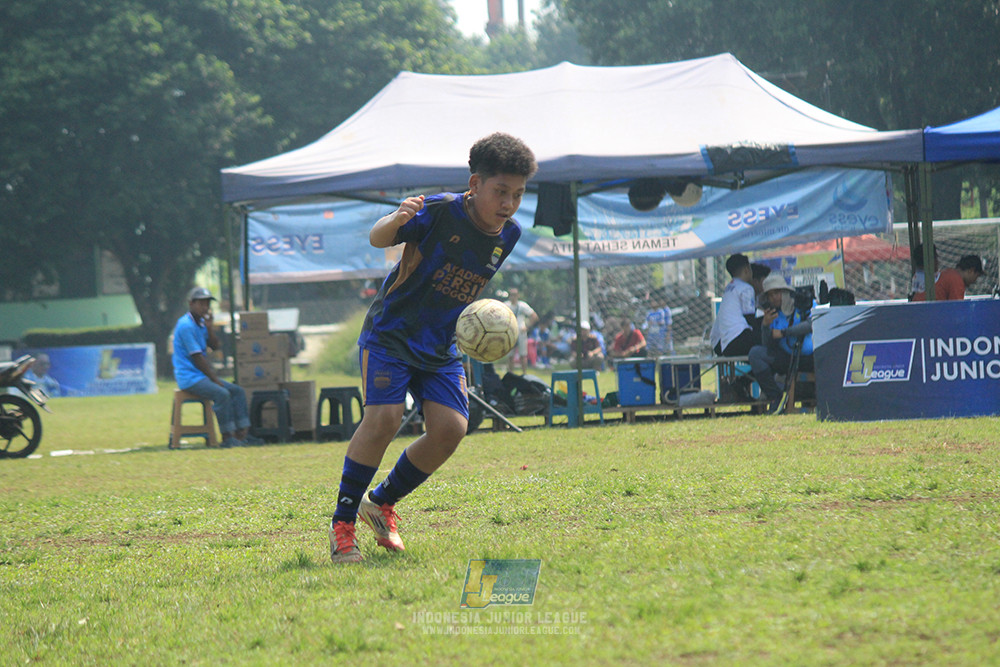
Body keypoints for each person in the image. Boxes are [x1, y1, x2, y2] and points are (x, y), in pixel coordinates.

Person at [329, 132, 537, 564]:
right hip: (392, 334)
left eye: (518, 194)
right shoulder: (440, 210)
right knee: (383, 418)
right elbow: (378, 238)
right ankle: (343, 524)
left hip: (441, 345)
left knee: (450, 430)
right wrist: (397, 218)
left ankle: (381, 503)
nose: (509, 203)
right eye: (501, 191)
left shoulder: (509, 234)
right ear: (475, 184)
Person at [171, 287, 262, 448]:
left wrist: (209, 327)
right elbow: (197, 357)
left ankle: (243, 435)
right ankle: (227, 437)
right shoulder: (185, 325)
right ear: (191, 303)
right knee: (222, 393)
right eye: (201, 304)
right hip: (189, 377)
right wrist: (214, 379)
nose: (205, 308)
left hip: (202, 376)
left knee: (237, 391)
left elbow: (215, 345)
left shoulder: (199, 324)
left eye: (207, 304)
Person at [747, 275, 815, 413]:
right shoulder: (772, 313)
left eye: (777, 293)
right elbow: (768, 345)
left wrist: (785, 332)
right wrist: (765, 326)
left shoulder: (804, 302)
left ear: (785, 292)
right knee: (756, 354)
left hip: (810, 357)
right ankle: (775, 396)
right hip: (787, 358)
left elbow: (811, 324)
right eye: (770, 295)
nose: (774, 298)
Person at [710, 254, 758, 357]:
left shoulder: (729, 288)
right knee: (769, 339)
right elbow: (750, 318)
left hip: (722, 343)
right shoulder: (746, 288)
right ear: (746, 269)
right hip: (737, 340)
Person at [909, 245, 983, 301]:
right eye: (976, 276)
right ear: (971, 271)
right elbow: (956, 310)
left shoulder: (948, 274)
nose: (975, 281)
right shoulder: (956, 280)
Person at [503, 287, 538, 373]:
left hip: (521, 332)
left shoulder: (522, 306)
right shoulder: (506, 305)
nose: (513, 297)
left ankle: (524, 374)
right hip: (510, 332)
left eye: (514, 295)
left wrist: (527, 326)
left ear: (518, 296)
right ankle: (510, 374)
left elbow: (534, 316)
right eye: (511, 295)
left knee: (523, 355)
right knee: (510, 356)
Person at [642, 289, 673, 357]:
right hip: (653, 334)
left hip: (662, 334)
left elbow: (667, 323)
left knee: (666, 350)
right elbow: (646, 323)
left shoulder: (663, 311)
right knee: (650, 350)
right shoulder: (649, 312)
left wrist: (667, 334)